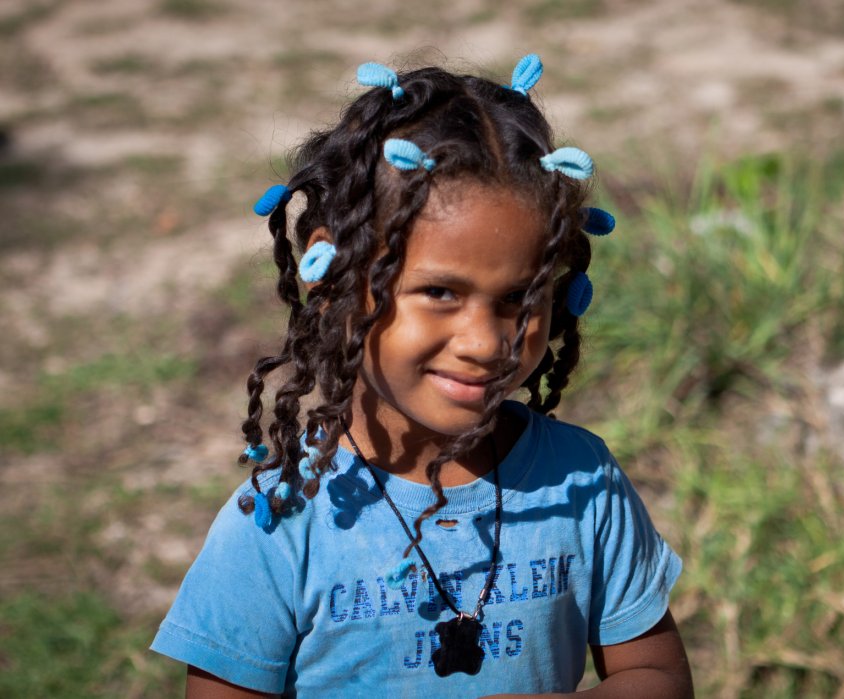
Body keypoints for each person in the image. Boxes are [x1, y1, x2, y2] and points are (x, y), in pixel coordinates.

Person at [150, 54, 692, 699]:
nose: (487, 342)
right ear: (336, 277)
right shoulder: (280, 521)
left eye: (521, 298)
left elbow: (656, 675)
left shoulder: (582, 481)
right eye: (439, 291)